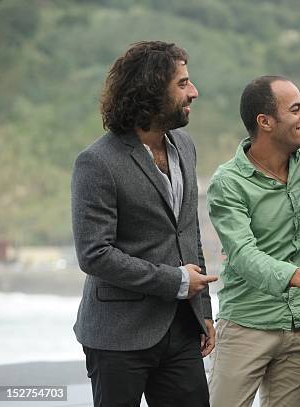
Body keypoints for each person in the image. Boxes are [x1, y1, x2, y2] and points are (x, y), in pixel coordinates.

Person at [71, 41, 217, 407]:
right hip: (117, 335)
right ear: (151, 89)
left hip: (182, 328)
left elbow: (188, 233)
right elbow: (94, 254)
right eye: (183, 83)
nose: (194, 91)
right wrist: (177, 281)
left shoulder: (185, 146)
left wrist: (203, 313)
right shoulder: (96, 162)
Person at [206, 75, 300, 407]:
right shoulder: (228, 183)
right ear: (265, 122)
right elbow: (242, 255)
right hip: (245, 324)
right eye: (296, 108)